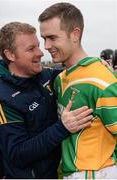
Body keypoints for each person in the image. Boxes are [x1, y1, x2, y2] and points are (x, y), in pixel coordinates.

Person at [0, 22, 93, 179]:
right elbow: (17, 154)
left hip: (50, 172)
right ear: (10, 55)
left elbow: (71, 72)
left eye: (38, 46)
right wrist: (63, 128)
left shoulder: (43, 75)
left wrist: (95, 67)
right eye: (31, 49)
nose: (41, 52)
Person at [38, 2, 117, 179]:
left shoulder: (102, 81)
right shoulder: (60, 79)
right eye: (44, 38)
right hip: (69, 172)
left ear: (75, 34)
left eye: (52, 38)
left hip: (98, 173)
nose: (46, 46)